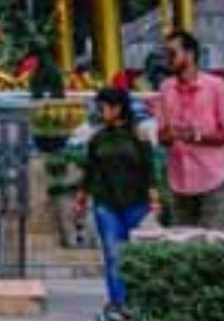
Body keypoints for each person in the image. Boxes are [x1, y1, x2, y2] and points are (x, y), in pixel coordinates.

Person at [151, 30, 224, 231]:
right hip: (178, 181)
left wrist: (193, 136)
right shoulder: (165, 88)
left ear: (189, 55)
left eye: (172, 53)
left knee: (210, 246)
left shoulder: (216, 86)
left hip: (210, 180)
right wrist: (167, 137)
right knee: (181, 247)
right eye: (165, 54)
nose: (167, 59)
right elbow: (162, 136)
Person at [85, 87, 155, 320]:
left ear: (117, 108)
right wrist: (82, 196)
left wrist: (154, 197)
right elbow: (90, 171)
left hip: (137, 203)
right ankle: (117, 307)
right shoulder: (97, 139)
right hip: (106, 204)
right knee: (113, 255)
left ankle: (137, 305)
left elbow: (149, 169)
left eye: (103, 106)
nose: (100, 111)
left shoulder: (139, 136)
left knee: (136, 257)